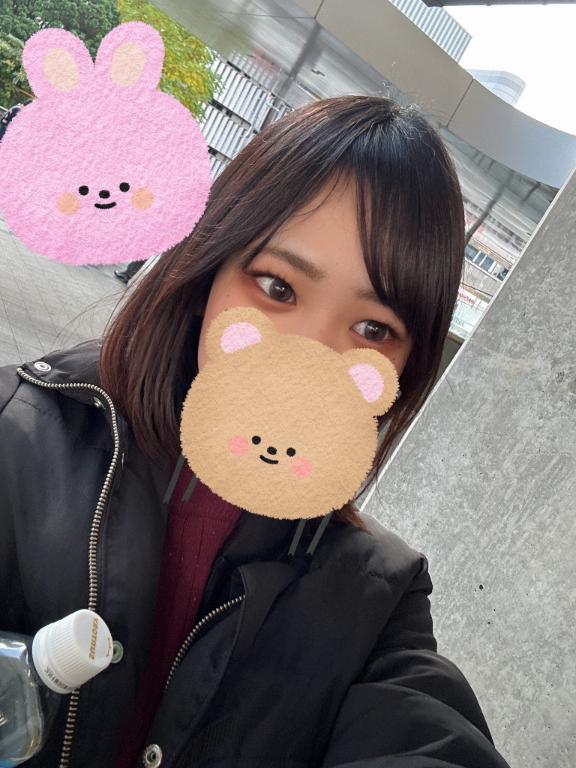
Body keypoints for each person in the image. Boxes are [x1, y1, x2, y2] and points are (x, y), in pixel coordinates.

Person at [0, 96, 512, 768]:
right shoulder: (15, 430)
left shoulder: (378, 595)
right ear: (208, 271)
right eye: (277, 287)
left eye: (372, 329)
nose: (304, 362)